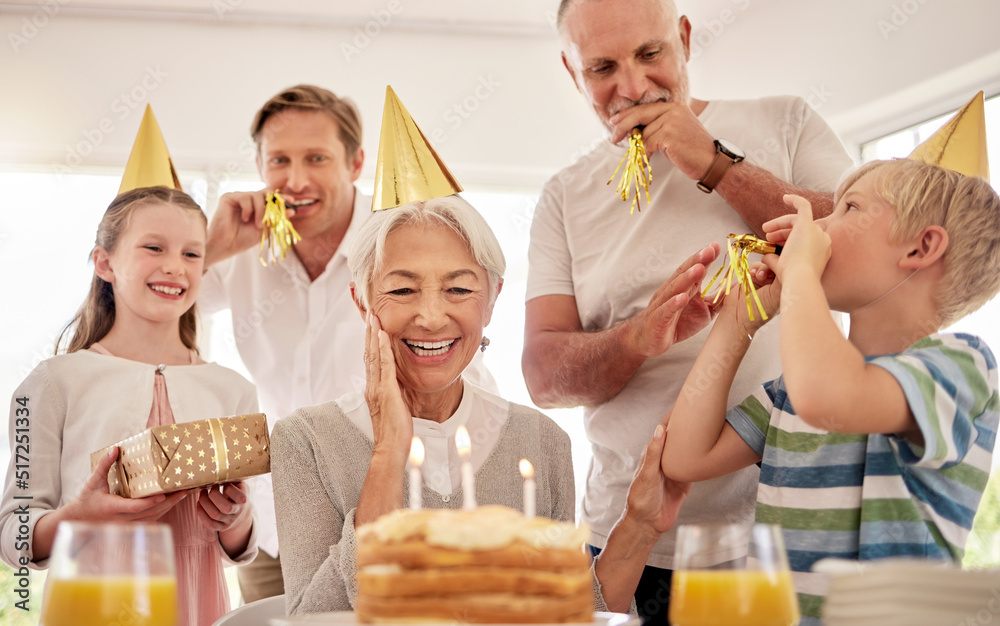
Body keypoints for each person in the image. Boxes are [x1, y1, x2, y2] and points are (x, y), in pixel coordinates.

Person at [522, 0, 855, 619]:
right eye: (601, 67)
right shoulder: (564, 198)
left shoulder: (785, 121)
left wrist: (714, 164)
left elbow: (858, 250)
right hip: (631, 537)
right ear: (573, 73)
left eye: (650, 54)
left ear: (683, 39)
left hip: (787, 527)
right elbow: (543, 375)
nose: (632, 86)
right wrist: (635, 339)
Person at [272, 195, 693, 614]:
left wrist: (639, 524)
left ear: (492, 300)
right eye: (403, 289)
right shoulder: (305, 441)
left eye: (458, 288)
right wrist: (388, 452)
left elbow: (570, 615)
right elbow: (313, 619)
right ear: (362, 301)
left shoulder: (540, 441)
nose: (432, 316)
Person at [660, 158, 1000, 624]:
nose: (817, 227)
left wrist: (800, 271)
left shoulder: (963, 366)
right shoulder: (792, 391)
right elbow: (684, 458)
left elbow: (835, 396)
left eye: (849, 209)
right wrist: (736, 326)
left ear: (922, 247)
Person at [199, 84, 497, 600]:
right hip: (276, 527)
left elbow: (459, 353)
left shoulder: (398, 240)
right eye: (279, 160)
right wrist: (209, 249)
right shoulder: (243, 249)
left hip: (396, 507)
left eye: (316, 158)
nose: (294, 181)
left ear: (356, 163)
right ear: (258, 164)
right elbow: (145, 317)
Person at [0, 187, 259, 626]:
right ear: (104, 263)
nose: (175, 266)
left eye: (193, 254)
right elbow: (14, 537)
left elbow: (240, 547)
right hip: (91, 605)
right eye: (154, 247)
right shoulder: (49, 383)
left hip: (197, 607)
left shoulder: (233, 390)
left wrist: (233, 516)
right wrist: (79, 517)